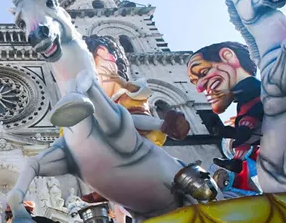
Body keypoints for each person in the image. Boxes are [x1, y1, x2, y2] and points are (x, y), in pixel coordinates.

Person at [84, 35, 190, 146]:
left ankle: (164, 125)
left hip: (135, 128)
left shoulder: (127, 89)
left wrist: (124, 84)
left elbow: (141, 91)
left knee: (126, 118)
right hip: (105, 139)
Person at [187, 41, 263, 173]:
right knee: (242, 136)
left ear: (228, 56)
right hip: (253, 124)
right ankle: (236, 160)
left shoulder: (252, 87)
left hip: (253, 114)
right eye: (195, 82)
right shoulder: (240, 99)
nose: (199, 88)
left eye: (204, 72)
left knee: (245, 127)